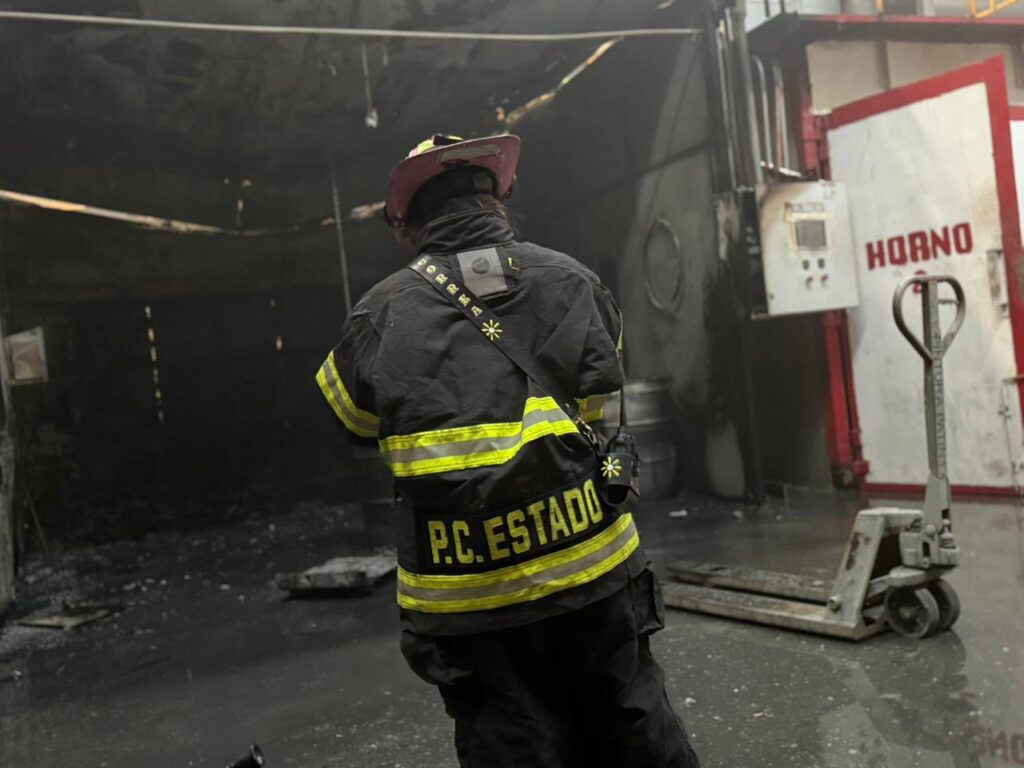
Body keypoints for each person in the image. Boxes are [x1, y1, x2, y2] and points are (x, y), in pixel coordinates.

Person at [316, 133, 700, 768]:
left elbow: (352, 426)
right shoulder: (575, 281)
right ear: (498, 198)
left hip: (471, 595)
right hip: (591, 566)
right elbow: (605, 399)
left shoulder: (378, 316)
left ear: (407, 225)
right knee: (634, 726)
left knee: (514, 744)